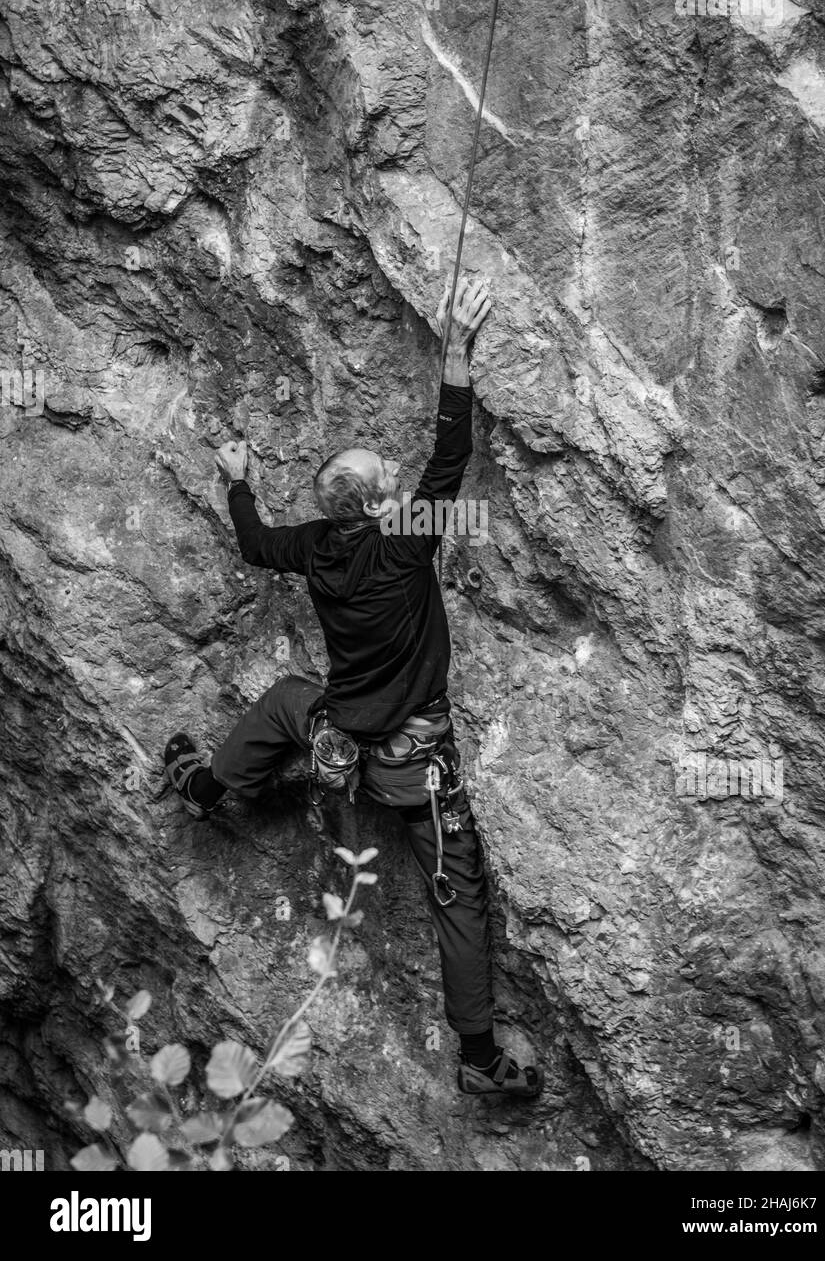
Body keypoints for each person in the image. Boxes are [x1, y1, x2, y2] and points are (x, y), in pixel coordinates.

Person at [164, 275, 542, 1097]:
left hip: (342, 739)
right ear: (378, 504)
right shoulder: (405, 542)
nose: (400, 475)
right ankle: (478, 1060)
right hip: (412, 770)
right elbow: (450, 454)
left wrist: (235, 476)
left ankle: (205, 787)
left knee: (283, 702)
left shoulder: (316, 545)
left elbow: (257, 544)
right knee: (457, 897)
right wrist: (455, 350)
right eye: (386, 475)